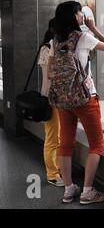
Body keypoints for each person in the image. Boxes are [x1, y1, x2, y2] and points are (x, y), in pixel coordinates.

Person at [48, 1, 104, 204]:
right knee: (96, 145)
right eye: (79, 12)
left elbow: (50, 72)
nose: (81, 15)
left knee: (65, 143)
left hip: (63, 101)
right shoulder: (84, 37)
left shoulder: (55, 42)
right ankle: (87, 191)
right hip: (85, 99)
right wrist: (94, 28)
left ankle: (68, 189)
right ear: (73, 16)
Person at [38, 18, 64, 187]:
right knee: (53, 138)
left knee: (57, 137)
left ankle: (58, 170)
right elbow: (51, 75)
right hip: (52, 98)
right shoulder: (49, 49)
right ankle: (52, 175)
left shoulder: (49, 47)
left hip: (56, 98)